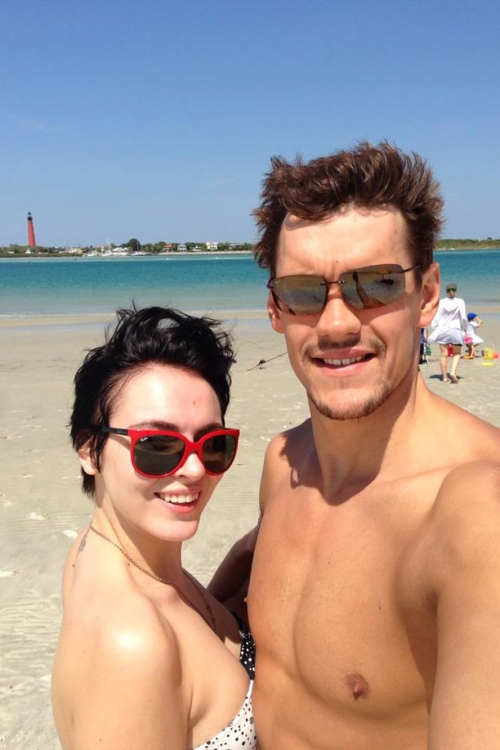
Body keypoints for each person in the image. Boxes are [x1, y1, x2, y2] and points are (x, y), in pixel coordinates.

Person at [209, 141, 500, 749]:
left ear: (426, 296)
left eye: (376, 283)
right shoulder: (283, 462)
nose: (338, 323)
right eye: (304, 291)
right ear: (276, 309)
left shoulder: (476, 516)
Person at [52, 306, 257, 750]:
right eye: (158, 445)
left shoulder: (97, 550)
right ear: (89, 451)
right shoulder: (132, 645)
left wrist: (249, 551)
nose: (195, 469)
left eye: (214, 444)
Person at [428, 282, 468, 383]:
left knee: (443, 355)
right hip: (455, 330)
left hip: (443, 331)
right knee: (457, 353)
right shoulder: (460, 301)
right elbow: (463, 317)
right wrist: (465, 329)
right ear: (455, 291)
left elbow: (437, 316)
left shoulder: (441, 302)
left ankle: (445, 377)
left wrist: (435, 326)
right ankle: (453, 372)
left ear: (446, 291)